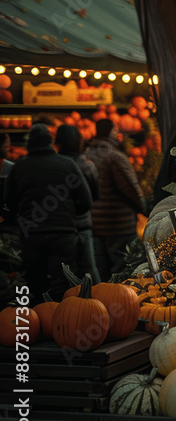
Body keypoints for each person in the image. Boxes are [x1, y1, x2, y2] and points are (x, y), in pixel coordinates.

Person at [4, 124, 92, 302]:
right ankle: (64, 322)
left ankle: (37, 322)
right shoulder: (68, 164)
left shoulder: (19, 167)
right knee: (64, 283)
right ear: (51, 143)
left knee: (35, 283)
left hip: (32, 236)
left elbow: (7, 203)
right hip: (63, 235)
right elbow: (86, 201)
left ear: (29, 144)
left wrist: (22, 220)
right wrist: (69, 217)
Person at [86, 119, 146, 280]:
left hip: (96, 224)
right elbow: (130, 188)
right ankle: (123, 303)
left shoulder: (86, 157)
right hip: (119, 224)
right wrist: (142, 207)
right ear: (112, 131)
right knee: (124, 271)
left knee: (102, 274)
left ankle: (104, 303)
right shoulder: (114, 157)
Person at [55, 125, 100, 282]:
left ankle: (66, 302)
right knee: (89, 268)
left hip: (61, 227)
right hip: (84, 224)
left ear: (58, 143)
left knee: (64, 271)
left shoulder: (56, 167)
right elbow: (95, 196)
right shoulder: (88, 166)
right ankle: (97, 301)